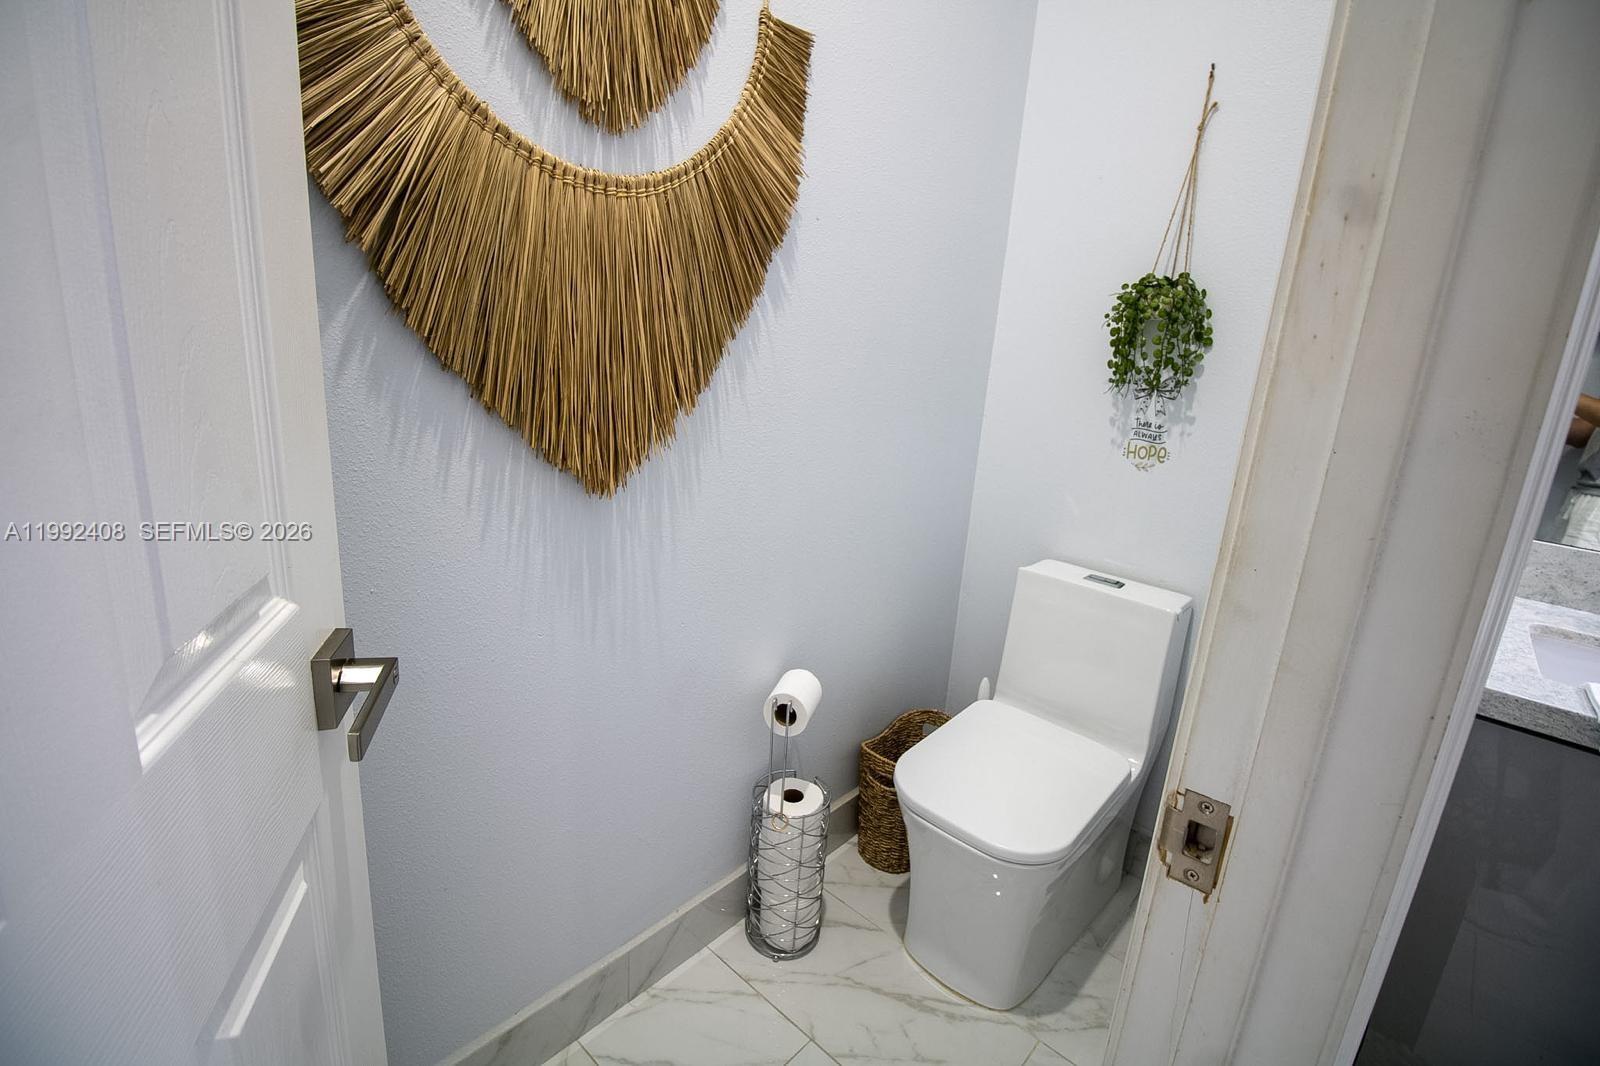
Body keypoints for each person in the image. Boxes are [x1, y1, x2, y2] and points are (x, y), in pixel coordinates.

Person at [1559, 393, 1600, 549]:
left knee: (1568, 571)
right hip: (1584, 497)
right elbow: (1582, 434)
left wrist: (1562, 389)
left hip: (1595, 510)